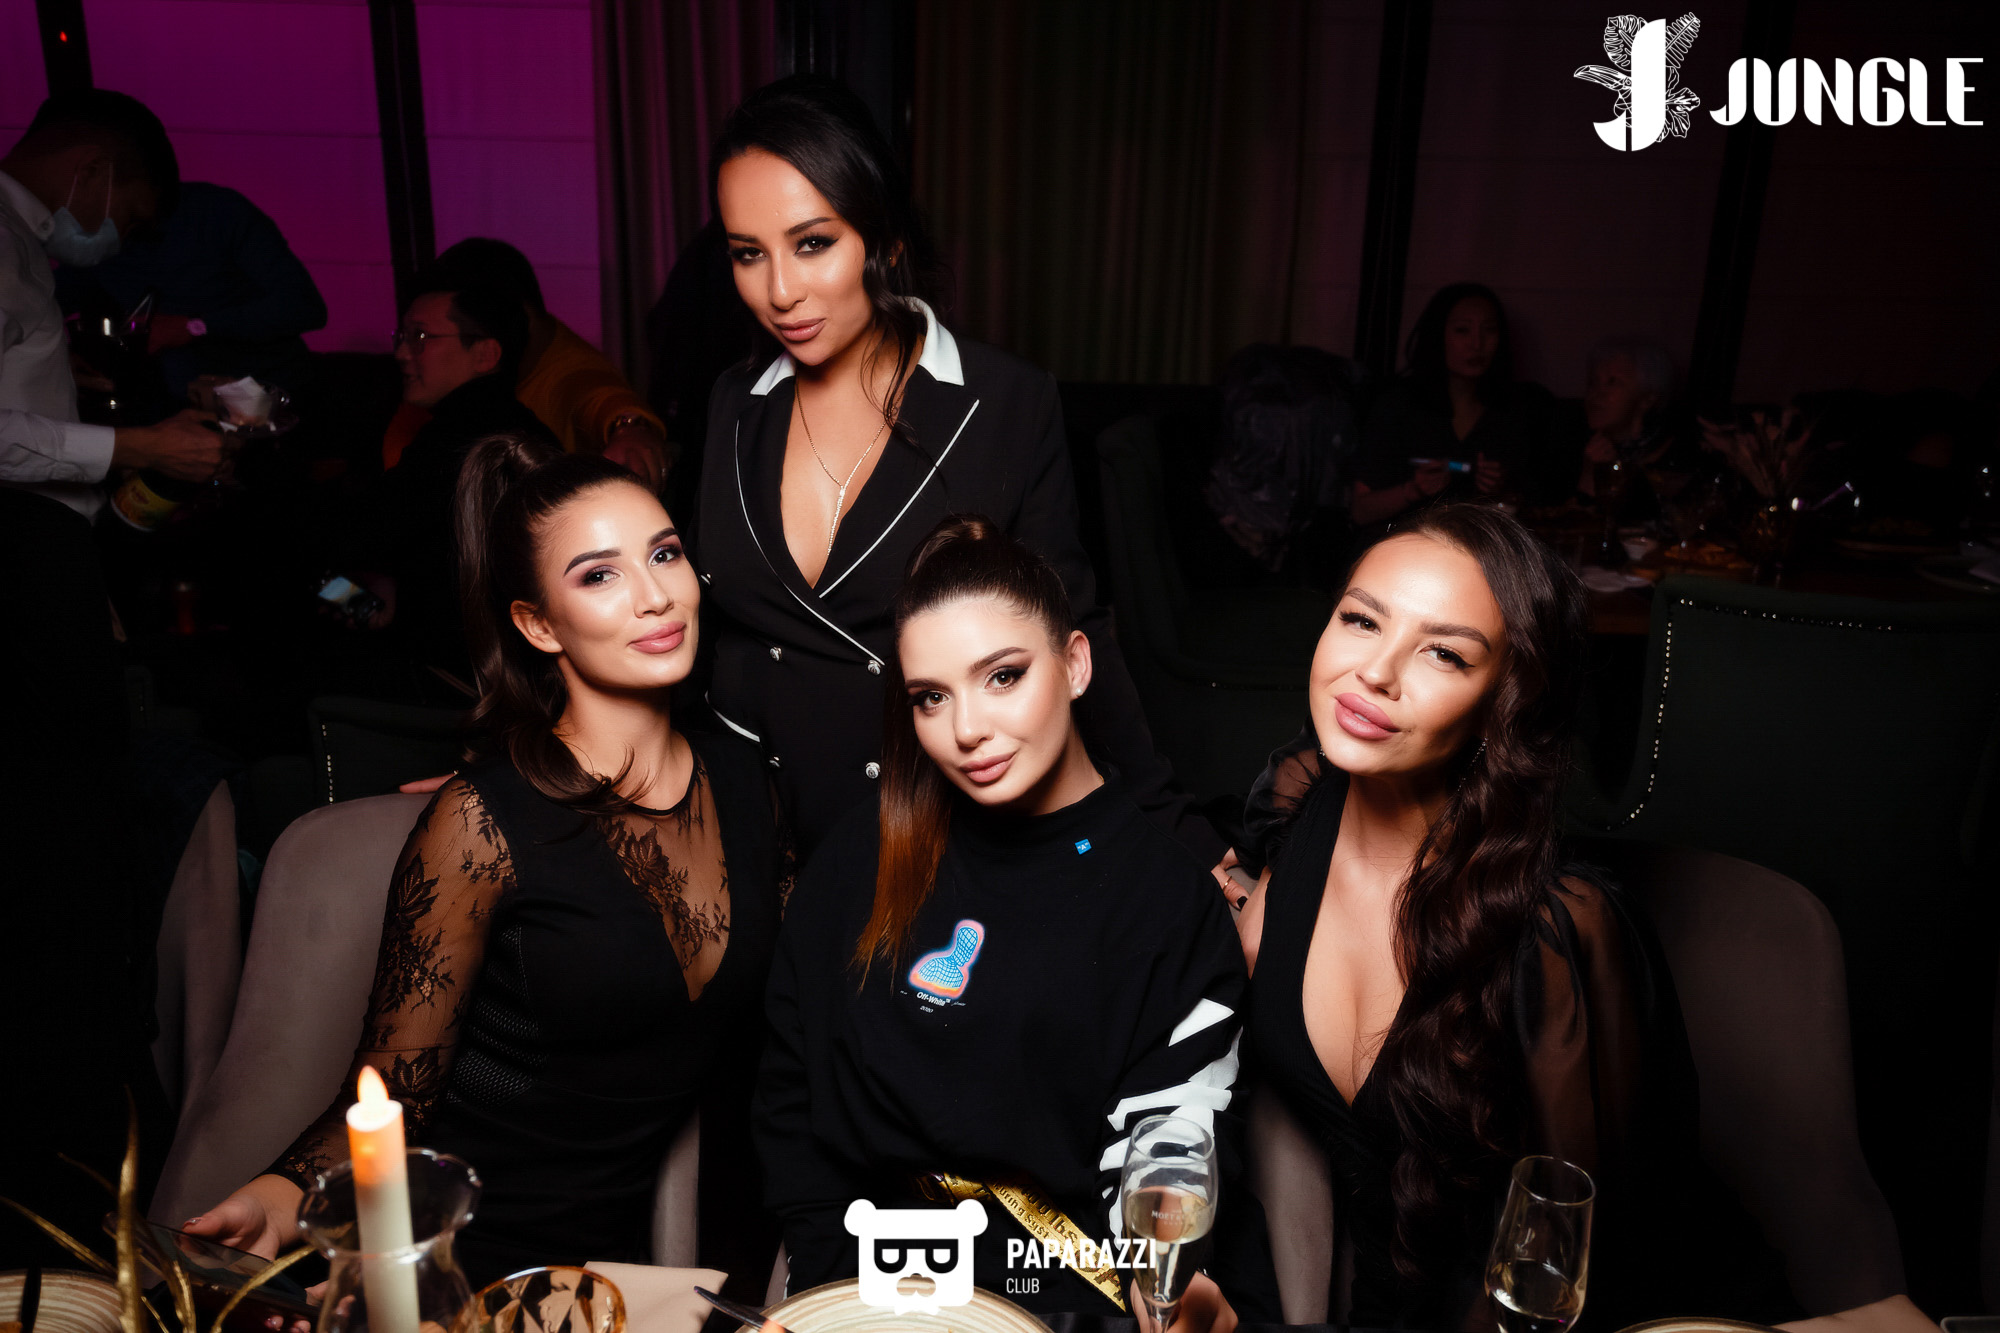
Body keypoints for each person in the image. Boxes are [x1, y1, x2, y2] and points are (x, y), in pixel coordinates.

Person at [185, 434, 789, 1284]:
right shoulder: (481, 823)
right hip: (456, 1253)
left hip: (624, 1268)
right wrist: (281, 1197)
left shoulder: (746, 778)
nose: (656, 596)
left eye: (665, 554)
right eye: (599, 575)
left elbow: (793, 1017)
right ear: (538, 624)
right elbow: (392, 1093)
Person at [1224, 504, 1815, 1331]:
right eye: (1361, 619)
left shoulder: (1554, 933)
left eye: (1444, 652)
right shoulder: (1295, 807)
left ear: (1502, 703)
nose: (1376, 672)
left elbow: (1573, 1263)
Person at [695, 75, 1216, 862]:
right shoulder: (736, 404)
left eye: (813, 243)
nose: (780, 291)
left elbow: (1072, 630)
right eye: (747, 254)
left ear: (884, 237)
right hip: (747, 836)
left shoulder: (1004, 402)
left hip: (925, 840)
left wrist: (1180, 833)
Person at [755, 516, 1264, 1319]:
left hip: (1061, 1296)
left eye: (1003, 676)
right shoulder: (864, 854)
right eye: (931, 697)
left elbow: (1173, 1138)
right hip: (865, 1281)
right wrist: (836, 1290)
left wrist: (1161, 1269)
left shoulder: (1165, 899)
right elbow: (792, 1098)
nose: (966, 730)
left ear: (1076, 663)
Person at [1, 89, 227, 522]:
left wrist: (45, 371)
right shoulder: (4, 241)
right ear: (91, 170)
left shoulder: (21, 238)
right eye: (131, 219)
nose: (120, 240)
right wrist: (140, 447)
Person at [362, 269, 555, 675]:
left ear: (485, 354)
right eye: (402, 337)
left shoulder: (463, 435)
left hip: (455, 673)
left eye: (420, 337)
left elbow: (371, 527)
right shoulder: (519, 426)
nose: (402, 353)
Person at [382, 237, 668, 487]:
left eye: (421, 335)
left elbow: (599, 394)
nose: (403, 353)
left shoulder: (566, 371)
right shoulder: (436, 394)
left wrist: (630, 428)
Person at [56, 180, 328, 400]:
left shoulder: (218, 212)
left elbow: (304, 306)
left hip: (264, 397)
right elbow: (49, 300)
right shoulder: (94, 236)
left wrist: (194, 327)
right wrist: (57, 356)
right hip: (167, 403)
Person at [1349, 283, 1548, 527]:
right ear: (1438, 335)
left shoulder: (1514, 410)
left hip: (1476, 544)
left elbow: (1533, 508)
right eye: (1463, 330)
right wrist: (1413, 490)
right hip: (1402, 541)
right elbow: (1361, 510)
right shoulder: (1398, 405)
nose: (1477, 343)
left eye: (1489, 330)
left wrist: (1499, 490)